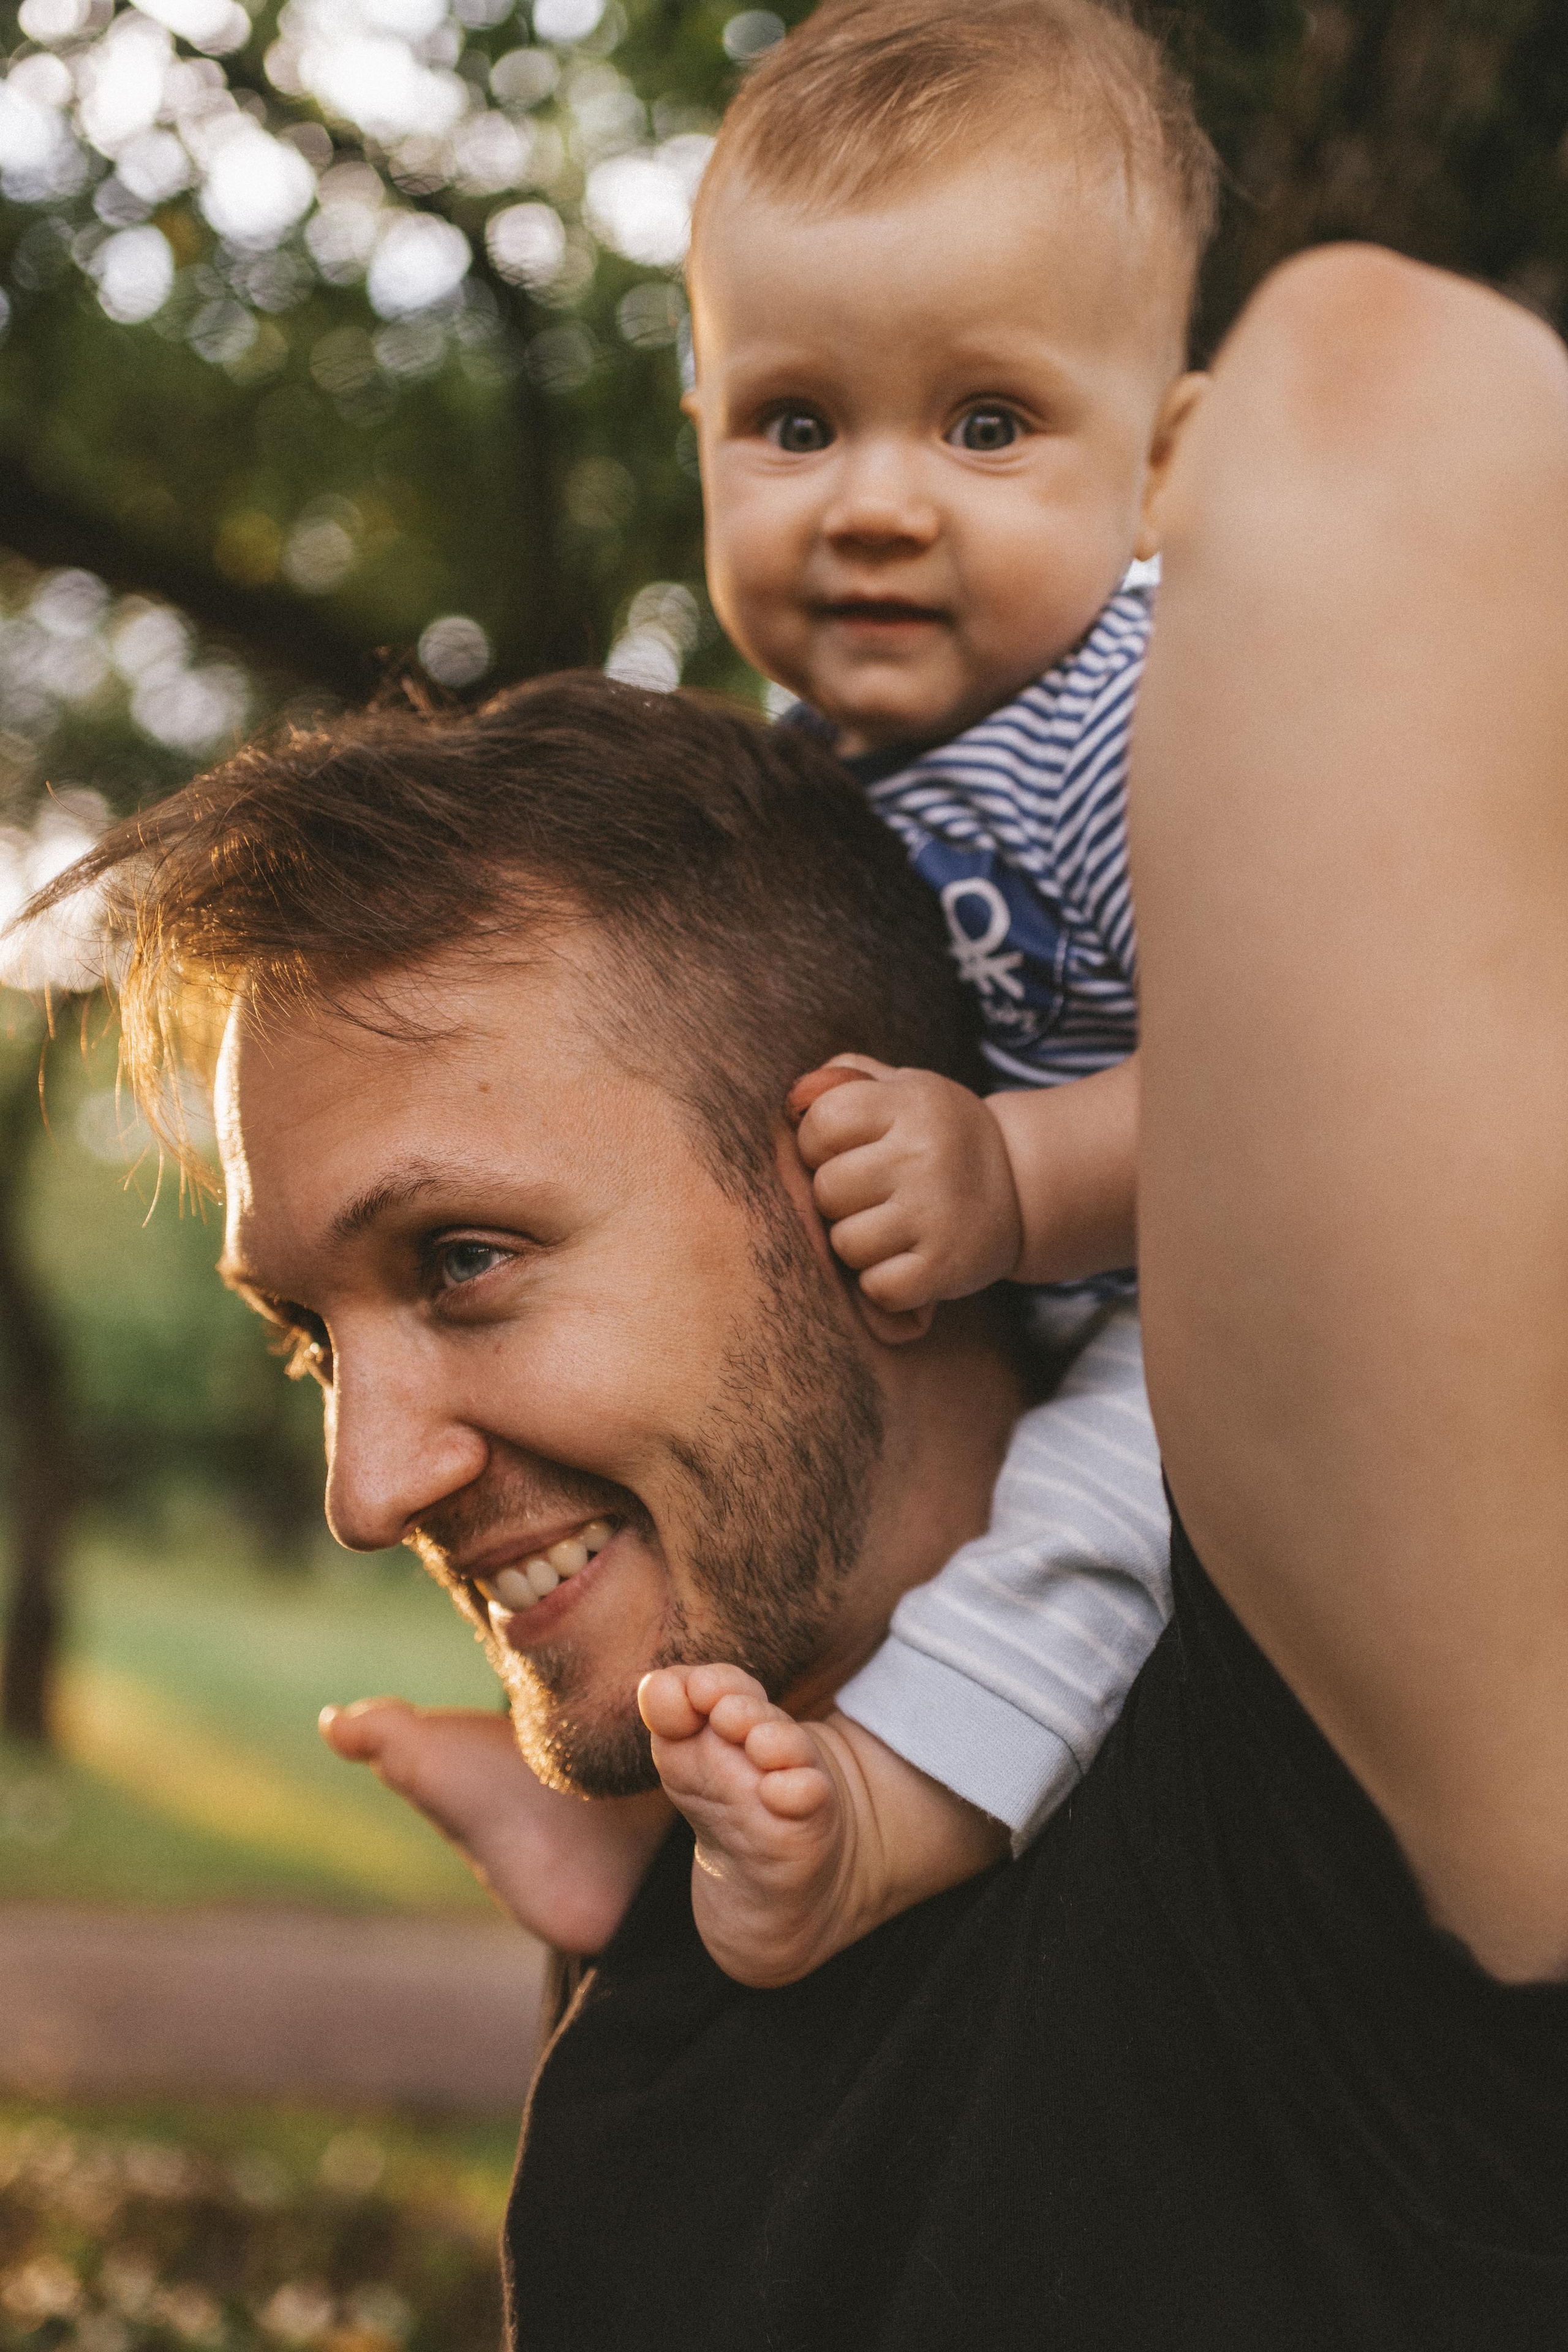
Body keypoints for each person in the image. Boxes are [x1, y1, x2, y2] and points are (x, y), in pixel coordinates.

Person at [21, 236, 1568, 2345]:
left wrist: (1065, 472)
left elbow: (1389, 384)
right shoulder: (650, 2065)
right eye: (310, 1337)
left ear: (868, 1176)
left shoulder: (1325, 1747)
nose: (364, 1486)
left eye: (462, 1261)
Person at [629, 0, 1219, 1981]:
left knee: (1095, 1503)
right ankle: (610, 1832)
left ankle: (887, 1826)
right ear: (702, 429)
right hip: (995, 1290)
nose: (875, 501)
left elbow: (1303, 1100)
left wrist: (1015, 1176)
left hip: (1217, 1302)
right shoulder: (809, 757)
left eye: (985, 424)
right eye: (796, 423)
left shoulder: (1147, 718)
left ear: (1162, 470)